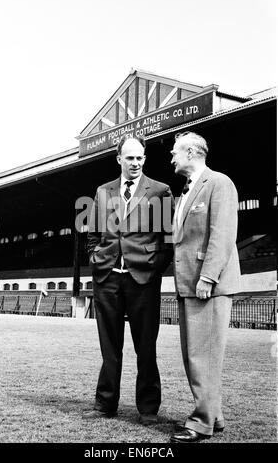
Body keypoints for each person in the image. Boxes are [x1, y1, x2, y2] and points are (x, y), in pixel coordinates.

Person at [84, 134, 174, 425]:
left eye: (140, 158)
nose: (135, 163)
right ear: (119, 159)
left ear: (144, 159)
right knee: (109, 346)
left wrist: (153, 268)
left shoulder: (160, 191)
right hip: (107, 278)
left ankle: (148, 409)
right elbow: (92, 236)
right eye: (130, 158)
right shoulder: (102, 192)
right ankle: (105, 404)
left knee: (145, 346)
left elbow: (168, 240)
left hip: (142, 279)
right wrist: (97, 260)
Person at [170, 131, 241, 443]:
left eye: (175, 151)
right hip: (190, 284)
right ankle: (215, 416)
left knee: (203, 357)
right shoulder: (186, 190)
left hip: (206, 285)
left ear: (191, 152)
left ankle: (201, 423)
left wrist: (208, 278)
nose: (171, 157)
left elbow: (222, 234)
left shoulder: (219, 183)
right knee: (195, 356)